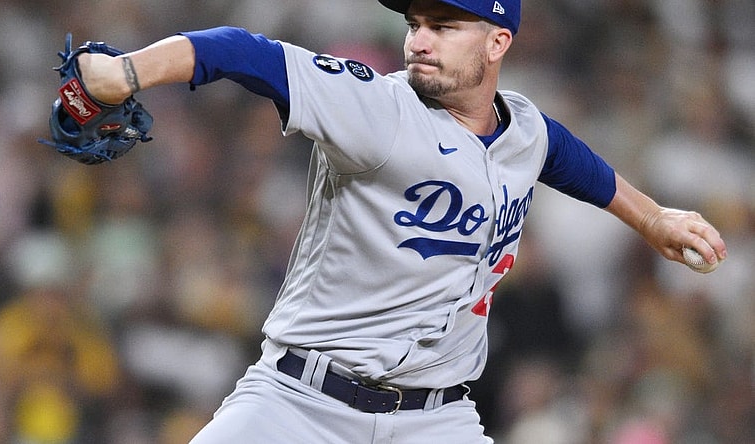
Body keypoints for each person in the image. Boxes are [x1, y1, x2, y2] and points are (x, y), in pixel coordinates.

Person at [73, 0, 727, 442]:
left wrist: (652, 218)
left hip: (435, 420)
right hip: (301, 405)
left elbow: (561, 154)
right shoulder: (375, 108)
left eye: (444, 25)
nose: (418, 39)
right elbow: (243, 51)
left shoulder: (523, 126)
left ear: (498, 41)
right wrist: (129, 71)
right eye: (416, 21)